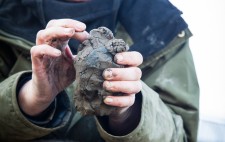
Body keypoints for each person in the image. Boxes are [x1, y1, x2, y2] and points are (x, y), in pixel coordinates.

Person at [0, 0, 199, 141]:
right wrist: (29, 99)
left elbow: (183, 137)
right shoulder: (5, 13)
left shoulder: (163, 25)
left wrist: (130, 114)